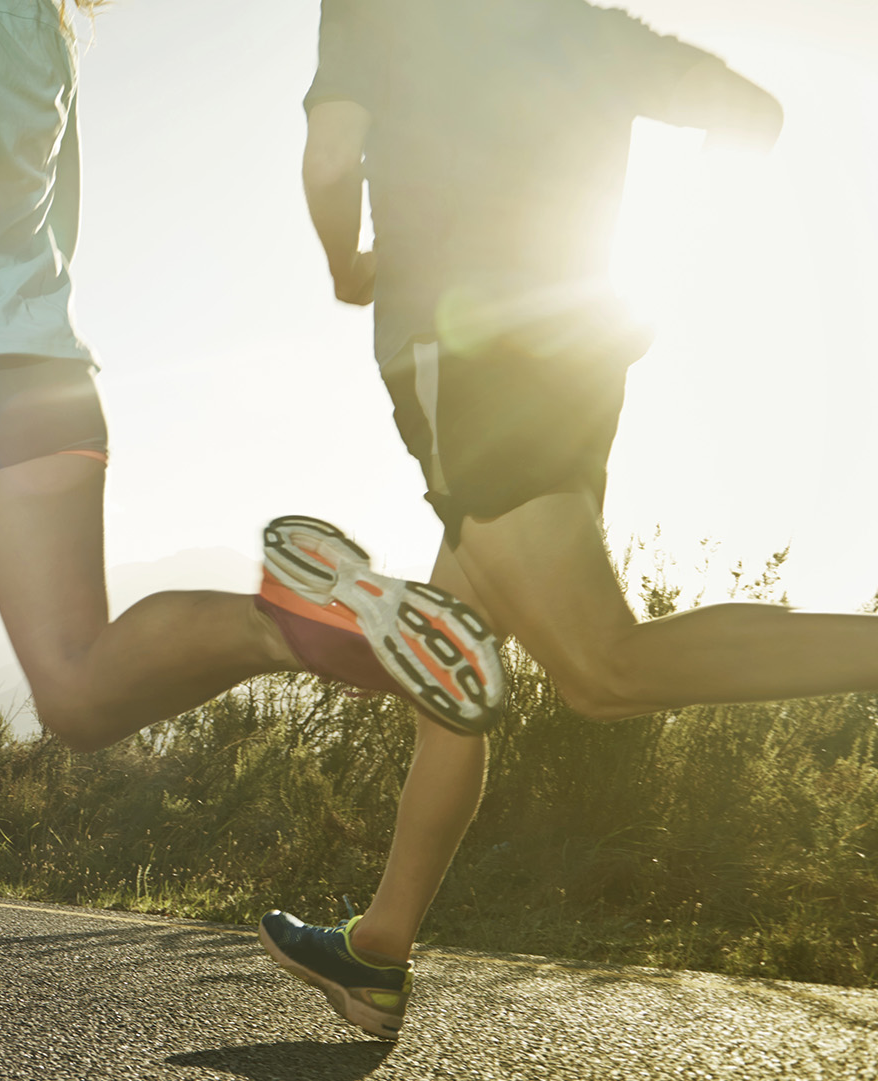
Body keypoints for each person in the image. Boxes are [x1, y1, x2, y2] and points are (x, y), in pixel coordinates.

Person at [0, 0, 508, 1053]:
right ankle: (283, 619)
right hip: (38, 364)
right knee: (81, 686)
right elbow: (55, 210)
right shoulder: (47, 19)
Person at [265, 0, 878, 1041]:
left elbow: (331, 159)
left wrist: (347, 261)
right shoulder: (579, 22)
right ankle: (377, 953)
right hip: (579, 356)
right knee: (449, 672)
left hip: (469, 355)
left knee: (602, 672)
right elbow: (750, 111)